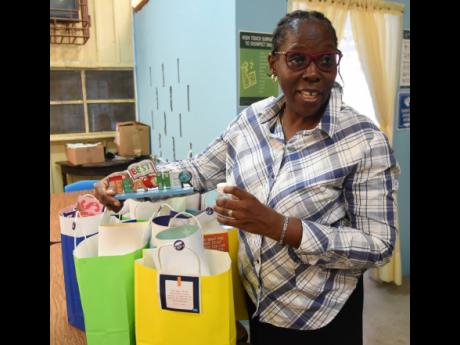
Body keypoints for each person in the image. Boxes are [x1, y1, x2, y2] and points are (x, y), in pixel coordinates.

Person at [95, 10, 400, 345]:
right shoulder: (250, 123)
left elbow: (378, 244)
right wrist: (130, 184)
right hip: (257, 301)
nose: (313, 73)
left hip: (320, 315)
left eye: (326, 60)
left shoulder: (364, 141)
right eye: (297, 59)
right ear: (273, 64)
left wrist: (280, 226)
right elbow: (197, 170)